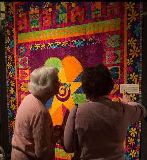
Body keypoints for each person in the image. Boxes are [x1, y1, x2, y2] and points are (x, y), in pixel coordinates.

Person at [64, 63, 147, 160]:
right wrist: (128, 103)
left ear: (85, 89)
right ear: (110, 86)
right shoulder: (123, 109)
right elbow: (143, 111)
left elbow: (68, 146)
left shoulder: (77, 111)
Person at [11, 66, 60, 160]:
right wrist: (54, 138)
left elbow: (29, 135)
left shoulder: (28, 98)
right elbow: (43, 154)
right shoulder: (40, 112)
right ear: (48, 86)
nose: (60, 83)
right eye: (56, 81)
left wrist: (49, 132)